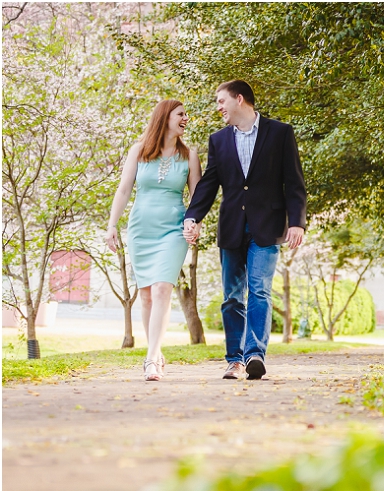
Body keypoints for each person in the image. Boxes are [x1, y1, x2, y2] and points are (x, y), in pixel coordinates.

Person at [184, 80, 306, 380]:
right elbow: (210, 183)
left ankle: (254, 355)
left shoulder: (280, 133)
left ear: (240, 99)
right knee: (232, 297)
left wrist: (297, 222)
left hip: (268, 227)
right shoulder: (219, 140)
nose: (219, 107)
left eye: (222, 100)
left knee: (260, 291)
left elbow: (294, 181)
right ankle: (234, 360)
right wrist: (193, 216)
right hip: (231, 228)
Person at [106, 100, 202, 381]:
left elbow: (197, 198)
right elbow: (124, 190)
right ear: (165, 117)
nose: (186, 118)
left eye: (186, 114)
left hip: (173, 229)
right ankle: (155, 353)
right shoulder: (139, 151)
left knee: (162, 288)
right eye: (181, 114)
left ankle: (150, 359)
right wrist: (112, 225)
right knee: (145, 295)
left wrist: (194, 224)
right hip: (141, 229)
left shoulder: (190, 156)